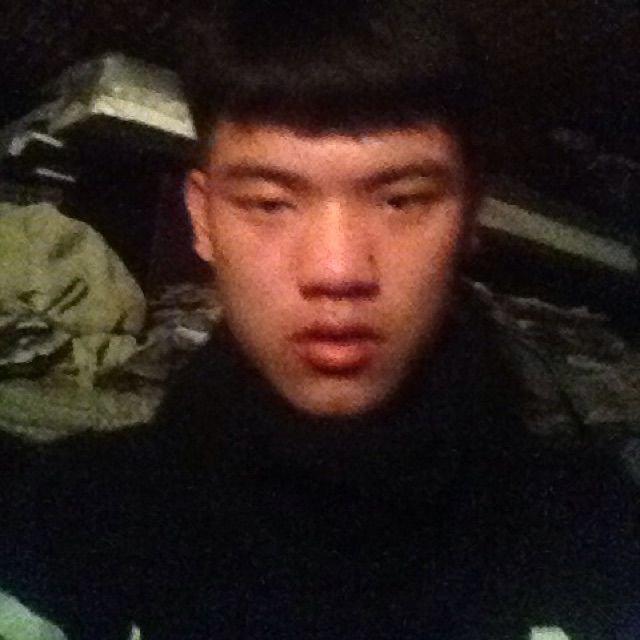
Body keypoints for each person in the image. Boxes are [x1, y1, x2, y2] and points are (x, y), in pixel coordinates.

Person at [2, 1, 638, 638]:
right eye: (269, 203)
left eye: (402, 200)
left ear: (469, 215)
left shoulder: (594, 530)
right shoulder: (76, 518)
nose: (337, 271)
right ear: (203, 219)